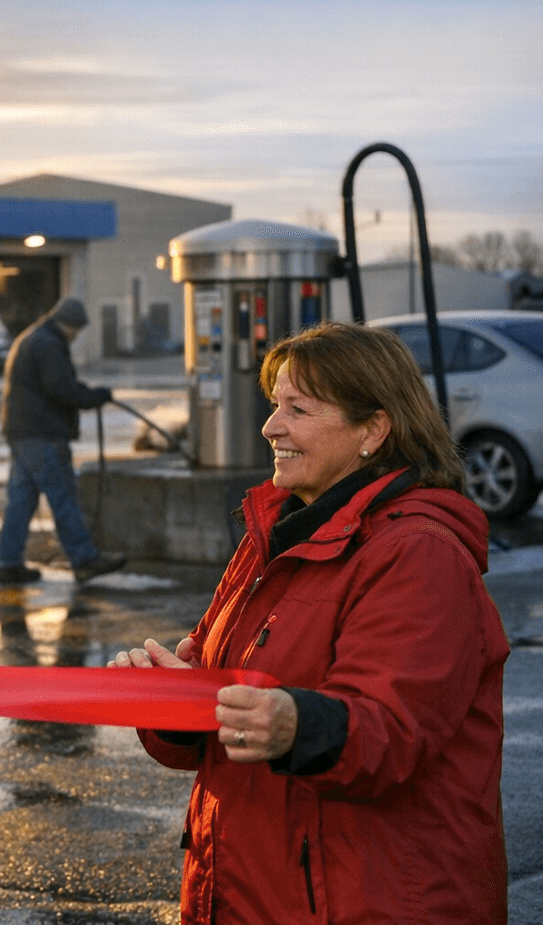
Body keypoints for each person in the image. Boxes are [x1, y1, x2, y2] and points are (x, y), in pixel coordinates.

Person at [110, 320, 508, 924]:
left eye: (298, 408)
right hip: (246, 890)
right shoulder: (275, 536)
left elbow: (392, 736)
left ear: (373, 429)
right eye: (275, 406)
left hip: (365, 902)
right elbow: (227, 712)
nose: (271, 426)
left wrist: (297, 725)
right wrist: (172, 701)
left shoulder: (418, 553)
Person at [0, 296, 126, 584]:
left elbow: (55, 383)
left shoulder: (34, 338)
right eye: (77, 331)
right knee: (63, 495)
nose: (77, 337)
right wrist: (93, 397)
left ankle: (8, 562)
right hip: (42, 434)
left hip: (22, 432)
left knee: (21, 499)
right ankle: (84, 559)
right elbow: (60, 387)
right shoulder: (48, 344)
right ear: (70, 325)